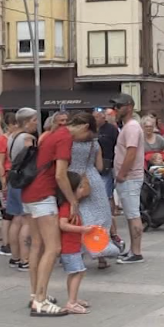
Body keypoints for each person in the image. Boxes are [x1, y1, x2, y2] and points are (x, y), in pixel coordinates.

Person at [23, 111, 90, 316]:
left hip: (29, 192)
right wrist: (72, 201)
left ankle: (35, 294)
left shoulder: (53, 133)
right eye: (87, 135)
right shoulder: (65, 138)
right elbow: (61, 175)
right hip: (44, 194)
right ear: (84, 128)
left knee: (37, 245)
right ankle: (41, 301)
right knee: (53, 247)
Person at [71, 113, 118, 269]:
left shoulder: (69, 142)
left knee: (78, 217)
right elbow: (99, 166)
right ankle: (101, 256)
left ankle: (75, 255)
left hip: (73, 180)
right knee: (99, 218)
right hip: (93, 179)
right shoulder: (94, 143)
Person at [113, 95, 147, 264]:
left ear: (129, 107)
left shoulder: (132, 127)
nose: (116, 109)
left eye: (119, 106)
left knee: (133, 214)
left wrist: (122, 174)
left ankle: (137, 252)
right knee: (130, 214)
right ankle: (133, 250)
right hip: (128, 177)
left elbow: (131, 152)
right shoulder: (127, 127)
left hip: (130, 177)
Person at [7, 108, 39, 271]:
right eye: (34, 120)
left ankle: (15, 256)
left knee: (16, 219)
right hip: (24, 180)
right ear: (26, 122)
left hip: (13, 180)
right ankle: (25, 258)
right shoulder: (28, 138)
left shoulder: (11, 137)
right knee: (26, 219)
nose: (36, 123)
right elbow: (32, 160)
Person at [58, 171, 94, 314]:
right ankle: (71, 302)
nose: (82, 190)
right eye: (79, 187)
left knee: (75, 273)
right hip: (69, 246)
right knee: (78, 272)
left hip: (74, 245)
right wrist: (82, 229)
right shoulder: (67, 206)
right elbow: (63, 224)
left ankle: (73, 297)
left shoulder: (73, 205)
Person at [95, 108, 120, 218]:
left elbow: (118, 145)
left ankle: (110, 215)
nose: (94, 120)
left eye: (96, 117)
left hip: (107, 164)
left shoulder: (111, 129)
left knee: (106, 193)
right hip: (93, 165)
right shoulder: (91, 129)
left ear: (103, 118)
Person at [0, 112, 13, 256]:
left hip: (14, 176)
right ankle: (5, 244)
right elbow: (0, 162)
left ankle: (10, 242)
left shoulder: (11, 138)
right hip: (8, 175)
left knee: (13, 213)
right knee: (7, 213)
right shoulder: (4, 139)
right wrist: (3, 181)